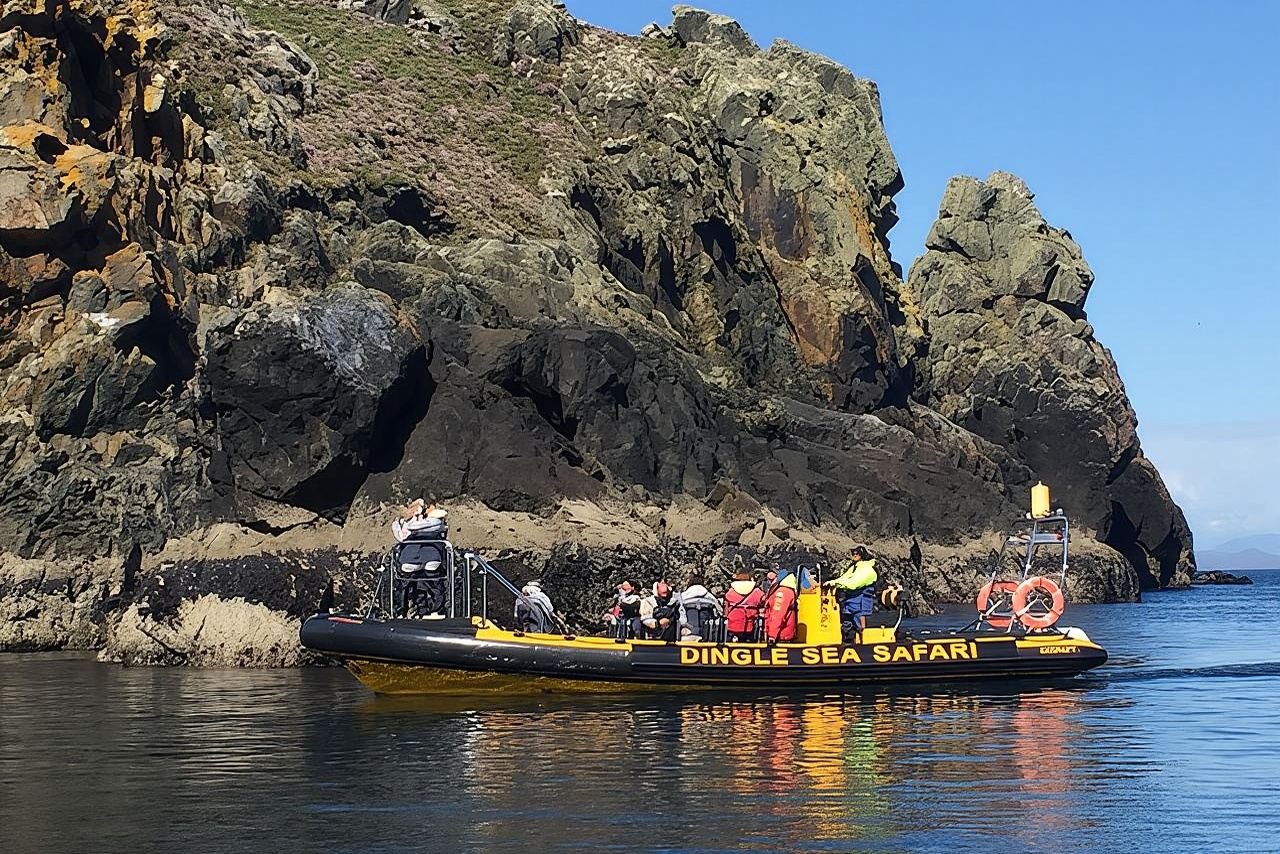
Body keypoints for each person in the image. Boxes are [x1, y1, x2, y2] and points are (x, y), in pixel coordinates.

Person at [391, 500, 449, 617]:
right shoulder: (437, 523)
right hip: (432, 557)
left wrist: (400, 521)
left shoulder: (409, 524)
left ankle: (401, 611)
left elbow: (401, 536)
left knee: (404, 584)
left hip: (410, 558)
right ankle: (436, 611)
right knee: (435, 583)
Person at [825, 545, 878, 640]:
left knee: (860, 626)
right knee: (846, 624)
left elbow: (854, 583)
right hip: (849, 602)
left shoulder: (867, 569)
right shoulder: (854, 568)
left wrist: (836, 584)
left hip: (860, 603)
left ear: (862, 555)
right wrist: (832, 582)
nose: (854, 555)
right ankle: (847, 640)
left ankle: (864, 642)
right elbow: (844, 578)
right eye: (853, 553)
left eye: (857, 553)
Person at [723, 570, 765, 642]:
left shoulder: (731, 591)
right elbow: (764, 601)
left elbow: (726, 608)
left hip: (733, 624)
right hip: (749, 625)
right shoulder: (756, 591)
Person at [678, 574, 721, 642]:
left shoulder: (684, 595)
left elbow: (679, 608)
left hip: (689, 630)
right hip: (706, 633)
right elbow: (718, 609)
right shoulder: (709, 595)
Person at [763, 572, 799, 643]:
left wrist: (772, 635)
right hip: (782, 635)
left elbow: (778, 615)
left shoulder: (782, 592)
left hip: (780, 636)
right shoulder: (787, 590)